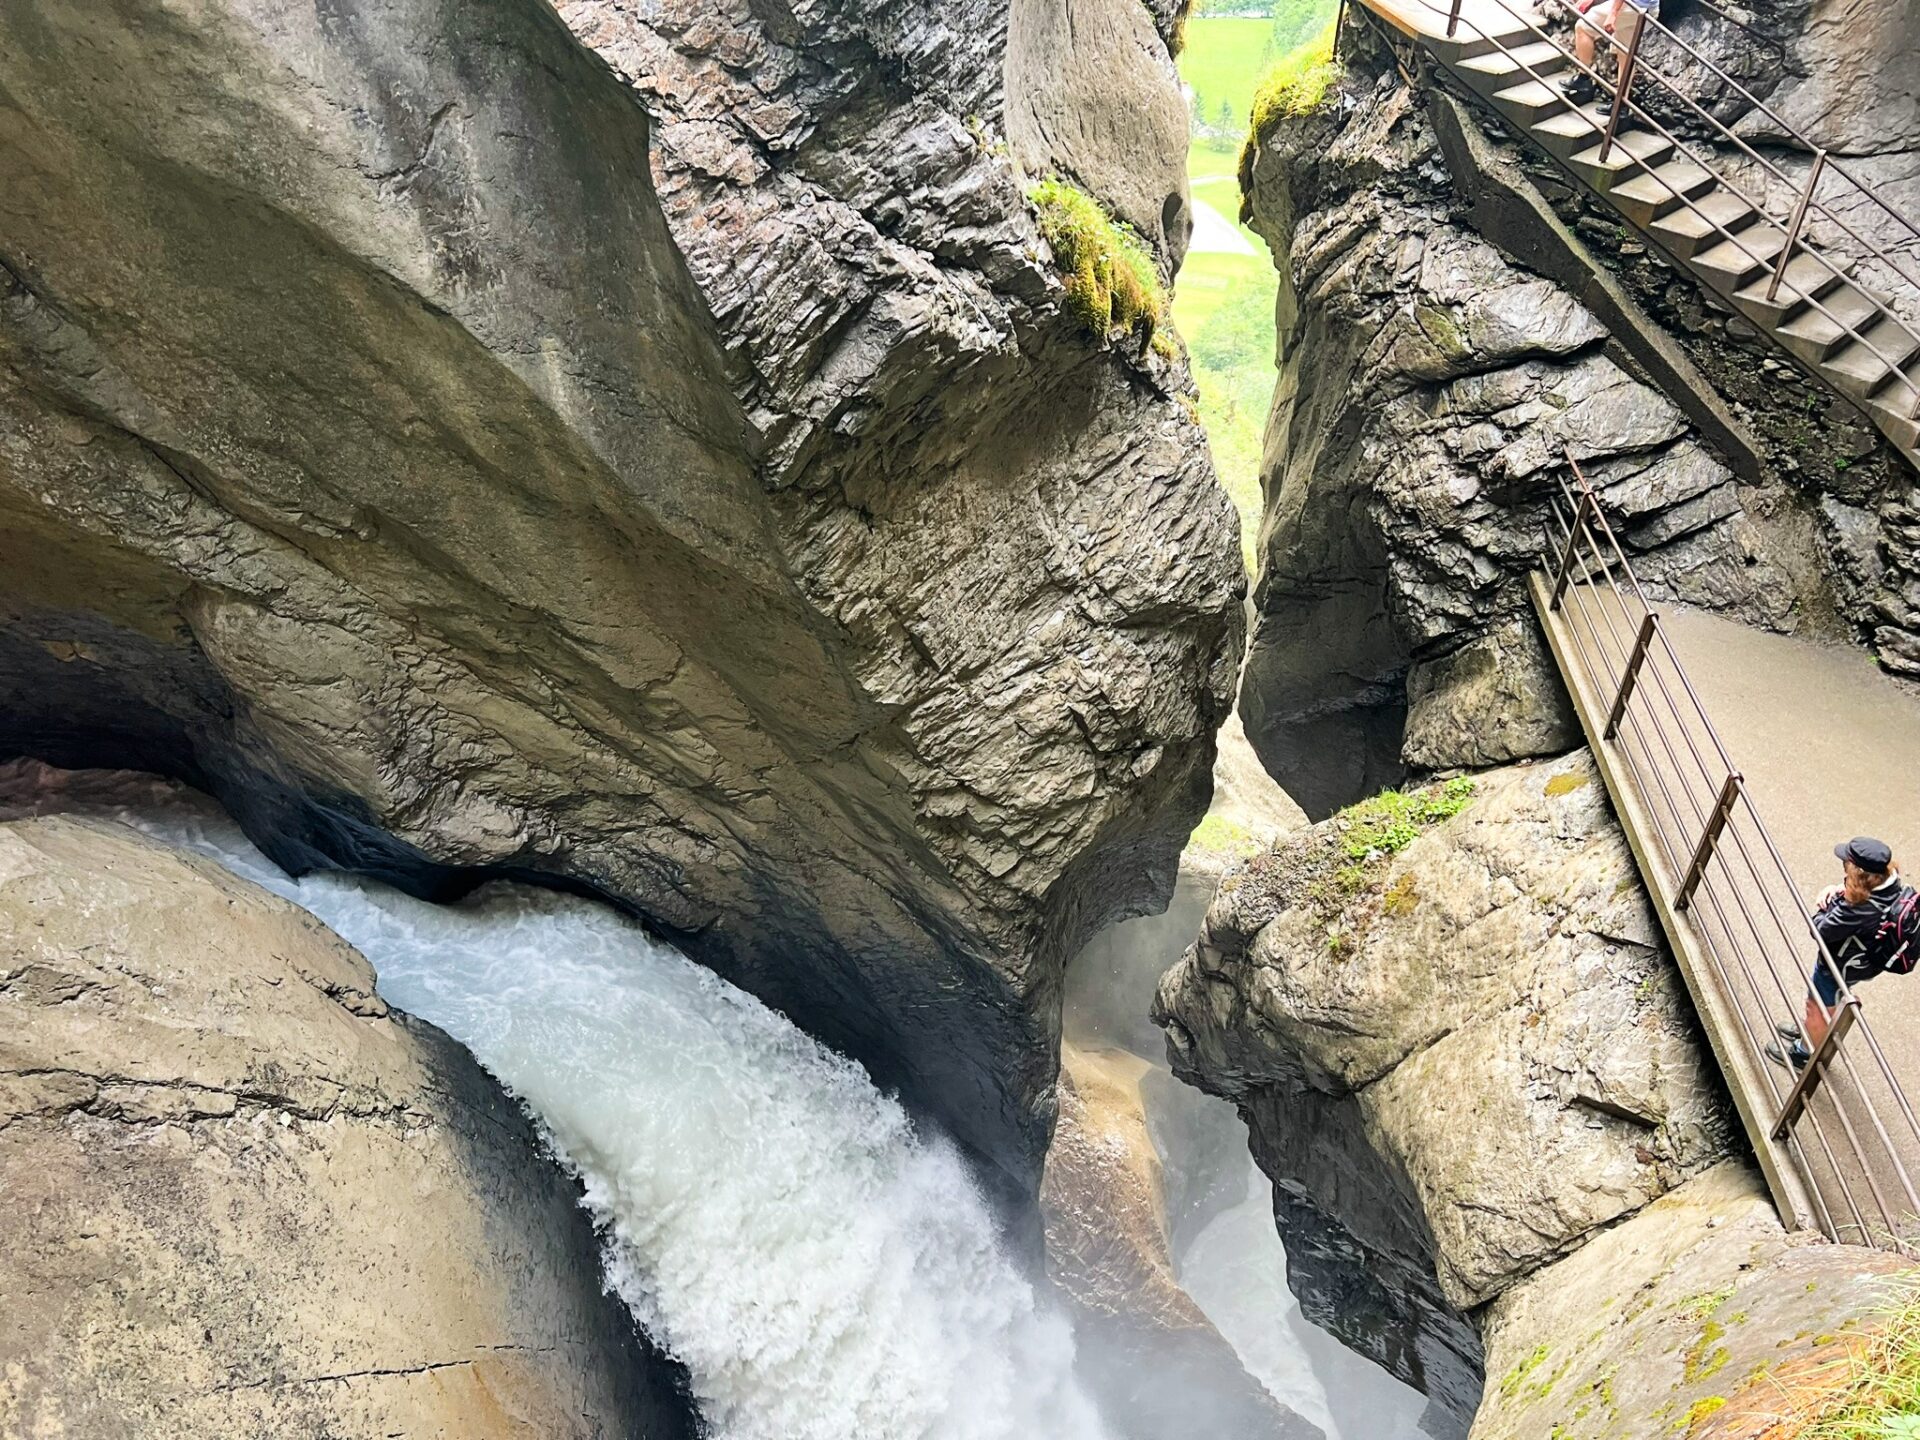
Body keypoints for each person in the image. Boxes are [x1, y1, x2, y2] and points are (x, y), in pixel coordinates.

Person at [1767, 837, 1919, 1072]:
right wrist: (1841, 893)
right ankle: (1811, 1029)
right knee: (1832, 998)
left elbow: (1820, 930)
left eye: (1846, 868)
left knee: (1818, 1004)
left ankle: (1803, 1053)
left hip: (1838, 966)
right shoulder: (1890, 887)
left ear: (1860, 876)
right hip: (1863, 964)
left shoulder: (1858, 910)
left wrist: (1824, 904)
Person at [1557, 0, 1659, 105]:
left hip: (1631, 6)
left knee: (1582, 27)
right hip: (1649, 8)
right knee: (1625, 54)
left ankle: (1583, 78)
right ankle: (1621, 104)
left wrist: (1613, 13)